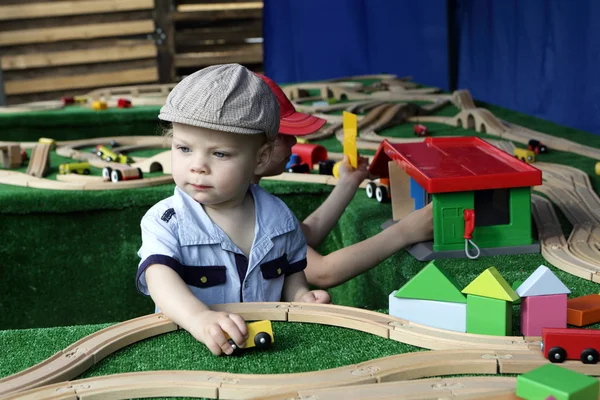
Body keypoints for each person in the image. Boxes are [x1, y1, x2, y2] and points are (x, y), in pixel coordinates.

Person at [136, 64, 330, 357]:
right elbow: (159, 278)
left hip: (270, 353)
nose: (197, 165)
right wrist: (199, 319)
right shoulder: (166, 221)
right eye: (184, 148)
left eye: (219, 153)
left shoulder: (280, 218)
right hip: (189, 350)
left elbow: (291, 274)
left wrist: (302, 296)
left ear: (261, 158)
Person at [255, 73, 434, 289]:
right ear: (253, 146)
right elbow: (322, 272)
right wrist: (405, 231)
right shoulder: (245, 210)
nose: (294, 140)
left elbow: (305, 236)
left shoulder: (255, 198)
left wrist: (348, 183)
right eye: (283, 134)